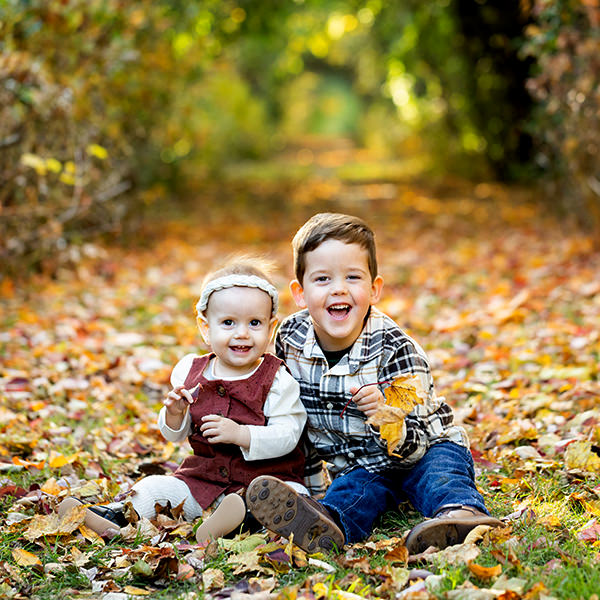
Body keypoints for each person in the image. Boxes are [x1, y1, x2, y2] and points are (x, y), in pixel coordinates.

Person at [245, 213, 502, 554]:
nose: (339, 288)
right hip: (361, 466)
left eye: (353, 277)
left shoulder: (396, 349)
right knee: (353, 493)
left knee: (439, 475)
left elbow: (419, 445)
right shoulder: (290, 340)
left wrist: (386, 415)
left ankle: (460, 515)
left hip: (425, 448)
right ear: (300, 293)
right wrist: (309, 489)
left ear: (374, 289)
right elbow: (294, 420)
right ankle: (327, 523)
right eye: (322, 279)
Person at [58, 258, 308, 543]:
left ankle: (236, 522)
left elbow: (289, 433)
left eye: (254, 323)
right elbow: (173, 434)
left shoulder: (277, 379)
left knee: (290, 499)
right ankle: (112, 517)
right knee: (154, 487)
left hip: (265, 481)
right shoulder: (190, 371)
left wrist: (242, 434)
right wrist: (175, 415)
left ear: (270, 327)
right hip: (203, 482)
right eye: (228, 322)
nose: (242, 333)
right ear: (205, 327)